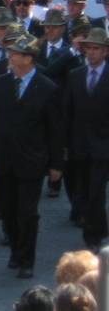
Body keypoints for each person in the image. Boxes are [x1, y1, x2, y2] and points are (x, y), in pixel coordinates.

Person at [0, 34, 63, 279]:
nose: (11, 57)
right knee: (8, 208)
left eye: (16, 54)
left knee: (28, 212)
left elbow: (55, 130)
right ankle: (15, 250)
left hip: (32, 162)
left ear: (29, 59)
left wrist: (57, 164)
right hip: (4, 159)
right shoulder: (1, 83)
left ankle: (26, 260)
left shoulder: (47, 88)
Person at [63, 27, 109, 251]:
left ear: (105, 51)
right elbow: (67, 112)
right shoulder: (76, 76)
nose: (92, 53)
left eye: (96, 49)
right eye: (89, 48)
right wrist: (64, 144)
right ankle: (99, 226)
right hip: (79, 144)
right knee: (80, 189)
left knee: (96, 191)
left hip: (103, 146)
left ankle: (93, 236)